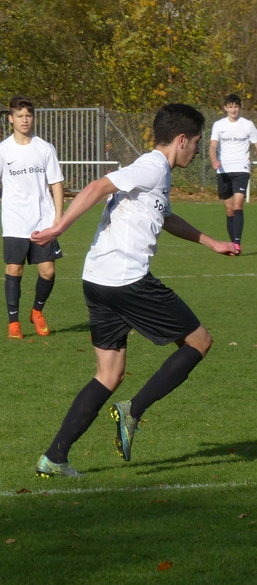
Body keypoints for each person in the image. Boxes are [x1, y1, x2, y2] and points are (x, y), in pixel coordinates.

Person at [31, 104, 237, 478]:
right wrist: (59, 227)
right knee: (199, 342)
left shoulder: (155, 172)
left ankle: (55, 457)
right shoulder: (153, 166)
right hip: (127, 280)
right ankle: (133, 410)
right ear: (182, 140)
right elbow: (98, 187)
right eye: (196, 142)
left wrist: (211, 242)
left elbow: (166, 217)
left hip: (97, 280)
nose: (196, 150)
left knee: (108, 375)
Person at [0, 96, 64, 339]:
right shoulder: (3, 150)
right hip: (15, 221)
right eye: (19, 116)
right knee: (14, 269)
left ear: (33, 117)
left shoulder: (45, 148)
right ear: (11, 119)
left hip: (43, 220)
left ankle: (37, 311)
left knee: (48, 271)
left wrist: (58, 215)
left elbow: (56, 183)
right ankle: (13, 323)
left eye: (28, 115)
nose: (24, 120)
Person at [208, 94, 257, 254]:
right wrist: (214, 160)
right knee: (229, 210)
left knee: (237, 205)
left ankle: (237, 244)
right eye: (230, 107)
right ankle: (233, 245)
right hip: (223, 171)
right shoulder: (219, 125)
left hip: (242, 169)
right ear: (225, 108)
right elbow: (213, 146)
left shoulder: (248, 125)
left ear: (239, 107)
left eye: (236, 106)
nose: (233, 110)